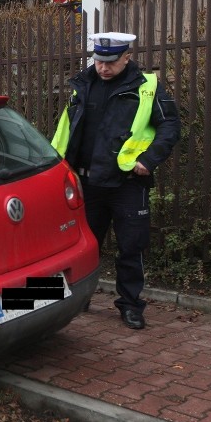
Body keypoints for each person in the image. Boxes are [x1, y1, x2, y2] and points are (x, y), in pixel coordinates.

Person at [51, 32, 181, 330]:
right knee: (83, 246)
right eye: (99, 61)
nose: (103, 68)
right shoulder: (82, 85)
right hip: (87, 183)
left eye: (110, 62)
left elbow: (171, 125)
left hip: (127, 184)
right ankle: (79, 298)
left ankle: (131, 305)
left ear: (127, 57)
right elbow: (67, 128)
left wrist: (149, 160)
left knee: (131, 247)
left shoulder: (147, 87)